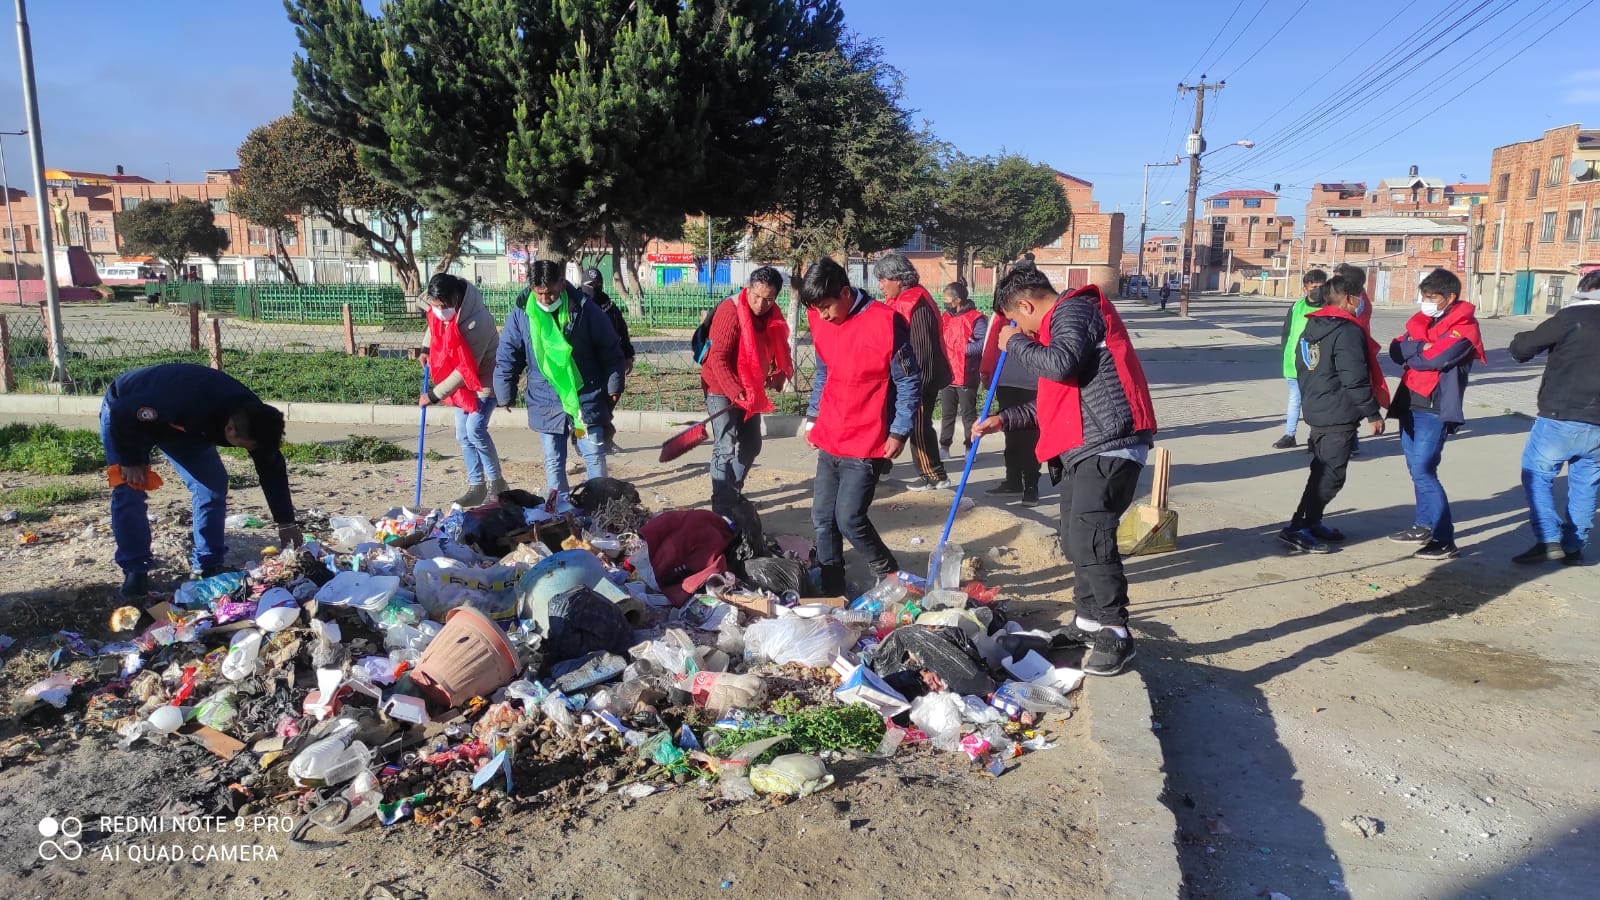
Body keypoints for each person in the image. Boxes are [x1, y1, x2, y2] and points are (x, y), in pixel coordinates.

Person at [974, 264, 1157, 676]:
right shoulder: (1061, 329)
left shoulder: (1075, 310)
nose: (1022, 329)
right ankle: (1087, 622)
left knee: (1092, 537)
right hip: (1081, 447)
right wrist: (1004, 420)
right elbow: (1056, 397)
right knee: (1076, 541)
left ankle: (1116, 631)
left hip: (1109, 443)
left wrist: (1014, 342)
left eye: (1019, 320)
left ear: (1025, 304)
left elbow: (1059, 364)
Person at [100, 363, 301, 598]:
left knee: (211, 486)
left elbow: (271, 467)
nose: (250, 451)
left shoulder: (255, 419)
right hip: (126, 412)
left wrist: (286, 522)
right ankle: (135, 570)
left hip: (182, 427)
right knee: (130, 488)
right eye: (245, 446)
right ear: (230, 430)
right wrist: (129, 459)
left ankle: (208, 566)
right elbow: (123, 411)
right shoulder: (185, 403)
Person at [801, 257, 921, 596]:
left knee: (850, 519)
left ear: (844, 292)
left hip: (868, 438)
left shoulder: (886, 323)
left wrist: (899, 431)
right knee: (823, 519)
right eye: (817, 309)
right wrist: (814, 418)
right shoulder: (820, 318)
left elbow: (909, 381)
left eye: (826, 307)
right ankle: (832, 590)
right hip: (831, 436)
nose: (822, 315)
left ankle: (890, 575)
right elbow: (824, 372)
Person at [1278, 273, 1390, 554]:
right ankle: (1298, 528)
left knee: (1321, 470)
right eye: (1361, 297)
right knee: (1331, 475)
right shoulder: (1346, 331)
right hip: (1336, 411)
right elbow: (1354, 377)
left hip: (1318, 406)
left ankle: (1311, 521)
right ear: (1351, 299)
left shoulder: (1313, 324)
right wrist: (1372, 413)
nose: (1362, 302)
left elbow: (1301, 366)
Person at [495, 259, 626, 495]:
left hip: (585, 395)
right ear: (532, 289)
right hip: (545, 396)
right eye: (540, 294)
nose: (546, 299)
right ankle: (560, 512)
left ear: (562, 284)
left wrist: (613, 385)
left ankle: (599, 507)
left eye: (552, 293)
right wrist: (505, 391)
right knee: (553, 459)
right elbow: (509, 352)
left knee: (593, 455)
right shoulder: (522, 313)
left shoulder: (586, 309)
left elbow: (610, 349)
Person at [1386, 268, 1486, 561]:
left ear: (1450, 297)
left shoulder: (1465, 328)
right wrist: (1419, 347)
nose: (1426, 301)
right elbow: (1394, 349)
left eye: (1432, 297)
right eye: (1424, 296)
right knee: (1415, 470)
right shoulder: (1422, 321)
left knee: (1424, 471)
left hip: (1434, 408)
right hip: (1409, 402)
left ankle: (1445, 539)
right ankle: (1423, 524)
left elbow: (1436, 359)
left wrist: (1415, 352)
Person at [1508, 269, 1600, 565]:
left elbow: (1523, 348)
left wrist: (1521, 339)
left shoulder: (1572, 316)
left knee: (1537, 475)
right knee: (1586, 484)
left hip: (1561, 414)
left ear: (1586, 288)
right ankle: (1574, 546)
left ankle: (1548, 538)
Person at [699, 266, 795, 517]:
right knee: (725, 445)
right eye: (756, 296)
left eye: (768, 298)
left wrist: (780, 372)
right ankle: (721, 508)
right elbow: (717, 359)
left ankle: (733, 491)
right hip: (721, 387)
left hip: (750, 388)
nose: (761, 303)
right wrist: (735, 390)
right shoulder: (729, 312)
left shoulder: (772, 314)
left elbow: (778, 347)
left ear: (776, 297)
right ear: (748, 289)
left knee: (751, 444)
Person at [420, 273, 506, 507]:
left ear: (456, 297)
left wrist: (434, 395)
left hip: (484, 379)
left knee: (475, 429)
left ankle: (497, 483)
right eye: (435, 305)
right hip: (462, 384)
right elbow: (434, 324)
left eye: (443, 306)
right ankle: (476, 486)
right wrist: (425, 348)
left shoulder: (476, 321)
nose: (439, 310)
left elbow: (464, 370)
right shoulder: (442, 310)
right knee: (462, 434)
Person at [874, 252, 953, 491]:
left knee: (918, 425)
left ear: (898, 279)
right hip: (907, 377)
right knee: (896, 421)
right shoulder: (904, 299)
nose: (880, 287)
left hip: (920, 377)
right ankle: (883, 467)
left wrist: (918, 383)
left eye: (883, 280)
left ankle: (935, 475)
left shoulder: (915, 303)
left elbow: (921, 349)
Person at [978, 305, 1043, 507]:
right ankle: (1013, 481)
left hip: (1033, 382)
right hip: (1006, 381)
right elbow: (991, 344)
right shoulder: (1002, 314)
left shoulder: (1037, 314)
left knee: (1031, 437)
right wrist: (986, 371)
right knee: (1011, 435)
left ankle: (1031, 485)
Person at [580, 267, 634, 452]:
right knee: (584, 408)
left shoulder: (608, 305)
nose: (595, 288)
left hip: (609, 362)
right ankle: (582, 442)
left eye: (598, 285)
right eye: (590, 285)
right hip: (584, 364)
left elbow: (622, 331)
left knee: (609, 399)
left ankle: (607, 439)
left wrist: (628, 355)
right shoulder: (574, 303)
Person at [1274, 269, 1328, 449]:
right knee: (1294, 400)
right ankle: (1290, 434)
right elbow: (1286, 333)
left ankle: (1316, 437)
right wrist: (1285, 354)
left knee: (1316, 402)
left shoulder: (1329, 308)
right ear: (1305, 287)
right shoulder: (1296, 307)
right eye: (1313, 287)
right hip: (1293, 363)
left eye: (1321, 286)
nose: (1317, 290)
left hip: (1316, 365)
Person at [938, 281, 986, 459]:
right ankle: (944, 446)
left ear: (957, 300)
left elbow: (982, 343)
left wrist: (963, 350)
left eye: (947, 299)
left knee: (968, 415)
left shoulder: (976, 318)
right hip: (947, 374)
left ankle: (970, 448)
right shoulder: (945, 317)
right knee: (947, 414)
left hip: (967, 374)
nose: (945, 302)